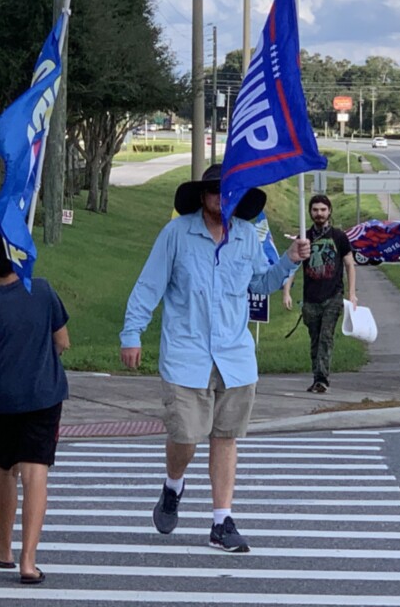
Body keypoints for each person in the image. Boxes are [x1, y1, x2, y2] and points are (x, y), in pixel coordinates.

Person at [120, 163, 310, 553]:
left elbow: (261, 283)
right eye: (214, 192)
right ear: (202, 196)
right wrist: (131, 333)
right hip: (185, 355)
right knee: (186, 436)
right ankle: (173, 485)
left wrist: (289, 259)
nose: (220, 200)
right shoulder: (176, 234)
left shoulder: (245, 236)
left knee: (226, 437)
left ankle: (221, 521)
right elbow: (148, 285)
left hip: (235, 357)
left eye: (228, 193)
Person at [0, 233, 71, 585]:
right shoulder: (43, 290)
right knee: (36, 473)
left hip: (3, 398)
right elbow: (62, 341)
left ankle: (3, 548)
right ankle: (29, 562)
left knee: (5, 470)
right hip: (44, 394)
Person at [282, 194, 357, 393]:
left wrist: (352, 293)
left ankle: (322, 379)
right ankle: (317, 377)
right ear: (310, 213)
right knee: (315, 339)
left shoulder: (339, 237)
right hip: (310, 299)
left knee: (326, 337)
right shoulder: (304, 238)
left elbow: (350, 264)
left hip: (333, 296)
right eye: (315, 210)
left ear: (329, 211)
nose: (319, 214)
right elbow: (292, 266)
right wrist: (287, 292)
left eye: (323, 210)